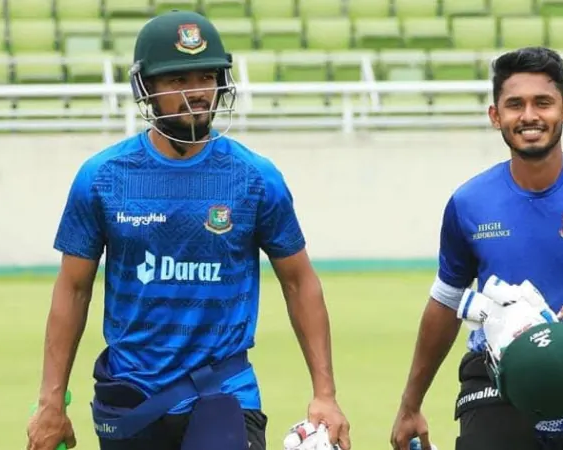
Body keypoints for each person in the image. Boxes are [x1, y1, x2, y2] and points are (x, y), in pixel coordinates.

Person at [25, 10, 350, 450]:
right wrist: (51, 402)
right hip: (131, 396)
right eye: (177, 81)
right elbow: (73, 289)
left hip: (224, 391)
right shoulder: (102, 178)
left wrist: (325, 394)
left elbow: (299, 281)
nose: (197, 93)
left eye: (207, 77)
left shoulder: (255, 177)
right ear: (147, 90)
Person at [389, 46, 563, 450]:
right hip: (494, 380)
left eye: (544, 103)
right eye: (514, 104)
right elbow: (447, 300)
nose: (530, 116)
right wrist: (410, 403)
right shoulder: (469, 202)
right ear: (495, 116)